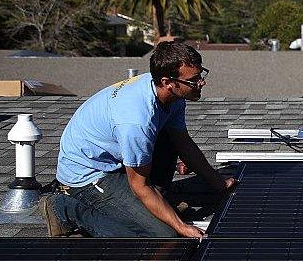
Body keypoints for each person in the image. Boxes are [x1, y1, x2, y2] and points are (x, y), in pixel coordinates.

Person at [39, 41, 238, 238]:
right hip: (87, 173)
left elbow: (183, 143)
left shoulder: (171, 96)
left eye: (201, 75)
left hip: (114, 158)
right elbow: (140, 187)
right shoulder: (137, 121)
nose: (201, 83)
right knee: (162, 235)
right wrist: (182, 227)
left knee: (169, 137)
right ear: (168, 83)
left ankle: (154, 204)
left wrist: (217, 183)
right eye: (194, 80)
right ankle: (66, 209)